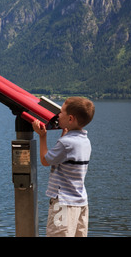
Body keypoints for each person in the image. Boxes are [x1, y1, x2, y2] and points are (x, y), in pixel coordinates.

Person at [32, 97, 95, 237]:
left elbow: (45, 160)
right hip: (80, 203)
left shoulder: (66, 143)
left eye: (61, 112)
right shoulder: (85, 141)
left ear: (70, 119)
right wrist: (63, 136)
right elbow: (65, 155)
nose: (58, 115)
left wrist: (42, 136)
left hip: (63, 204)